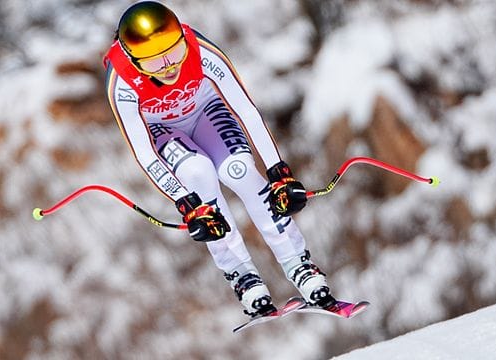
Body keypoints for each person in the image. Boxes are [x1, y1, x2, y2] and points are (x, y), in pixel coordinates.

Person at [103, 1, 335, 318]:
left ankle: (299, 264)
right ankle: (242, 275)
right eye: (155, 63)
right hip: (165, 130)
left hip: (206, 113)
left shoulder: (201, 52)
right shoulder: (122, 84)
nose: (169, 67)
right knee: (197, 173)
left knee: (239, 170)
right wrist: (186, 203)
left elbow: (247, 111)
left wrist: (279, 173)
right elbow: (144, 153)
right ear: (133, 60)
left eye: (174, 52)